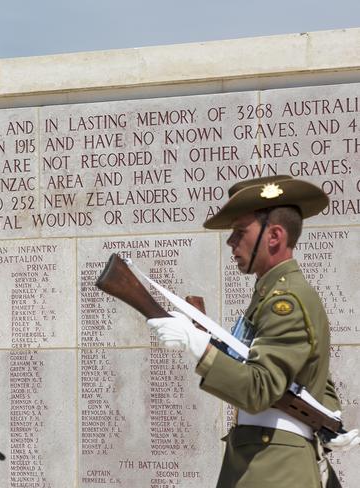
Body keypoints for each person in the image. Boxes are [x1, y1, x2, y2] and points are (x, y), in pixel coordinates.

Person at [146, 175, 358, 487]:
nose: (231, 242)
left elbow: (261, 388)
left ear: (274, 236)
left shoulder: (284, 300)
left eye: (240, 232)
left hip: (274, 468)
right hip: (267, 458)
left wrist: (197, 346)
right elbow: (314, 381)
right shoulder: (270, 295)